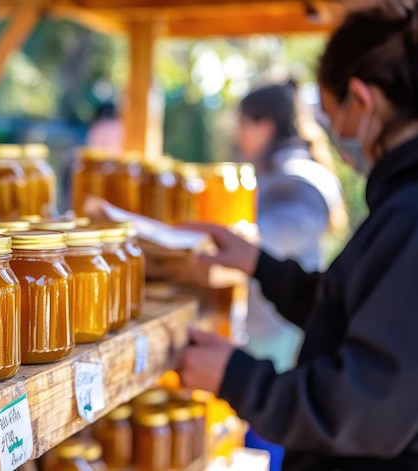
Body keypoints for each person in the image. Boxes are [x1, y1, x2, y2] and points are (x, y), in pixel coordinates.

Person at [179, 2, 418, 469]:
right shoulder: (400, 200)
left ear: (362, 100)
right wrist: (261, 265)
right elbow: (358, 311)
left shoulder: (410, 213)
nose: (336, 135)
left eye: (332, 117)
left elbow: (366, 407)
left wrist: (240, 378)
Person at [236, 81, 344, 373]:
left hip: (279, 324)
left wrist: (237, 237)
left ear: (266, 126)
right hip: (265, 318)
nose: (238, 133)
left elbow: (273, 238)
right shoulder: (274, 171)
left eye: (244, 123)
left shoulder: (299, 179)